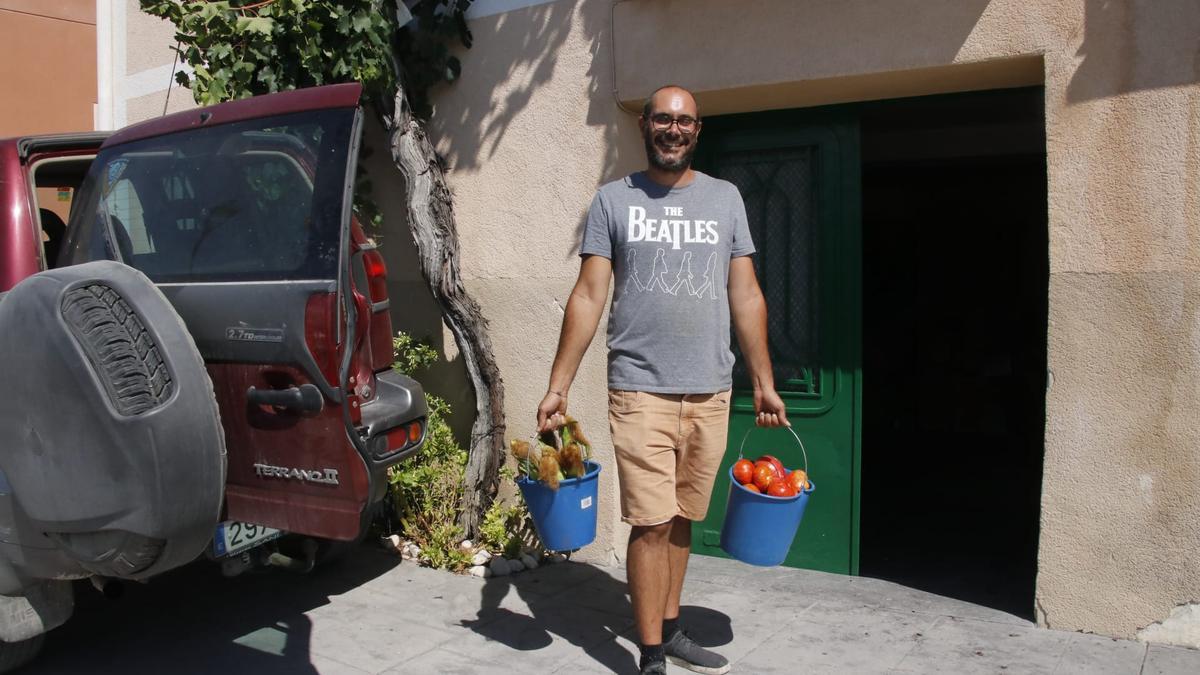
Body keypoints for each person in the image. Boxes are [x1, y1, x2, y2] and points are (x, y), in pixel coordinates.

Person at [536, 84, 790, 675]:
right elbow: (589, 294)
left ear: (697, 130)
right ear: (645, 125)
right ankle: (650, 657)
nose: (672, 129)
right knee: (650, 523)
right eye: (662, 119)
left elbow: (745, 293)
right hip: (640, 388)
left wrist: (764, 379)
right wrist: (558, 384)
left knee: (681, 518)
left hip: (710, 388)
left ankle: (670, 631)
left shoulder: (726, 199)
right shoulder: (612, 201)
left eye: (684, 121)